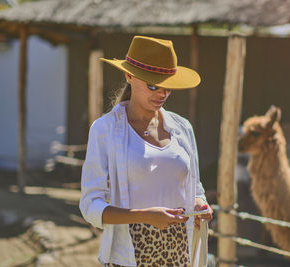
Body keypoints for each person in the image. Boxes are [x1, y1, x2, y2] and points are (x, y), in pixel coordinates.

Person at [79, 35, 213, 267]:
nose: (162, 93)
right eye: (153, 85)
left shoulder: (182, 129)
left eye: (168, 87)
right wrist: (144, 216)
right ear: (129, 76)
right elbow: (90, 205)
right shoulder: (105, 130)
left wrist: (200, 204)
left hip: (179, 254)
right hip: (128, 256)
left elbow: (195, 188)